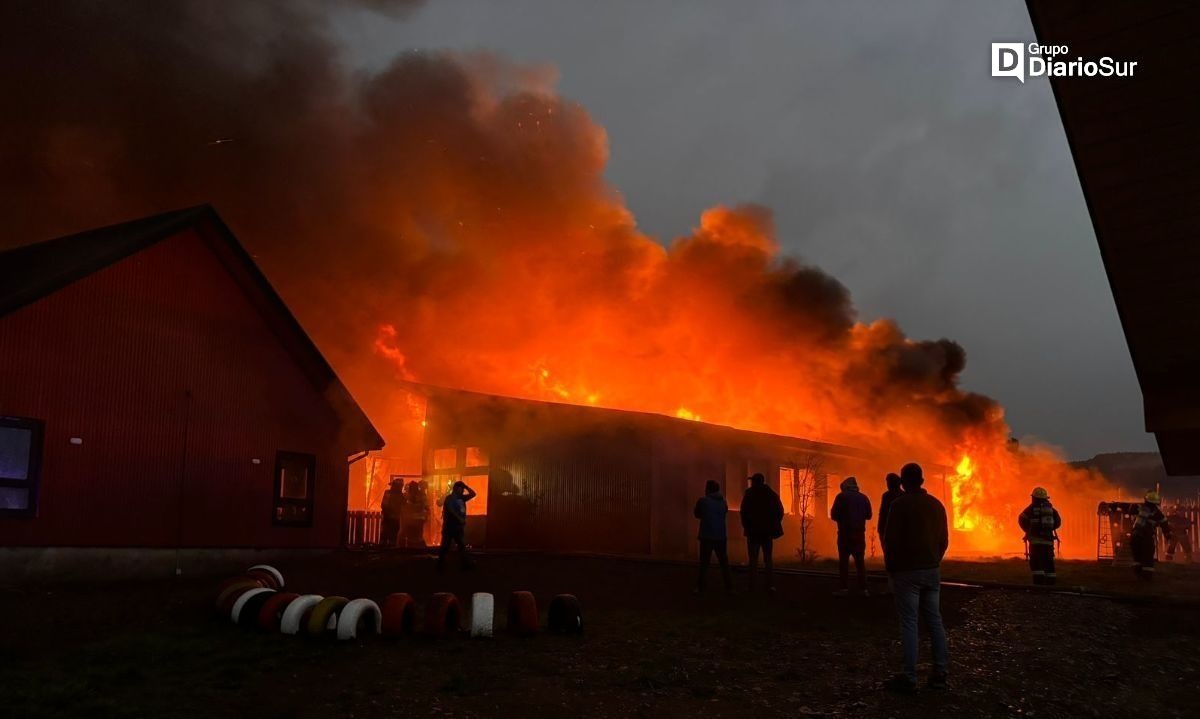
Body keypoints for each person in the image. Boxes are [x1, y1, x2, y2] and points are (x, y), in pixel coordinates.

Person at [883, 462, 949, 693]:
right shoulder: (936, 505)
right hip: (931, 571)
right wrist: (934, 560)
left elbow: (889, 541)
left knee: (910, 622)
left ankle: (909, 676)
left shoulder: (899, 505)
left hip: (906, 572)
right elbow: (944, 541)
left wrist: (891, 569)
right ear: (922, 481)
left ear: (902, 482)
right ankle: (940, 672)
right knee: (935, 621)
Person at [740, 472, 784, 593]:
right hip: (767, 533)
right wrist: (773, 525)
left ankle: (752, 586)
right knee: (768, 559)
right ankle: (769, 585)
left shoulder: (749, 494)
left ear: (755, 482)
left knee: (753, 559)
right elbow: (780, 511)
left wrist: (747, 526)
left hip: (753, 532)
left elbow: (743, 512)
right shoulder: (771, 494)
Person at [830, 476, 873, 596]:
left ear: (845, 486)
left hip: (844, 534)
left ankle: (843, 588)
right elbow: (869, 515)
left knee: (843, 562)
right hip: (859, 534)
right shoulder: (864, 498)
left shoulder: (841, 497)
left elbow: (834, 515)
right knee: (860, 562)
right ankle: (863, 589)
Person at [693, 479, 734, 594]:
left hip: (706, 535)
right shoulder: (723, 502)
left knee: (704, 564)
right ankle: (729, 587)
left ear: (708, 489)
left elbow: (697, 514)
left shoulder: (703, 501)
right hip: (720, 536)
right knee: (724, 563)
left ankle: (700, 587)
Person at [1018, 487, 1061, 585]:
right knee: (1049, 563)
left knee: (1037, 564)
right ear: (1046, 498)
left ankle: (1039, 587)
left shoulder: (1031, 508)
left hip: (1035, 542)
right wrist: (1049, 528)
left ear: (1034, 498)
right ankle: (1050, 586)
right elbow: (1058, 522)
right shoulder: (1051, 510)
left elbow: (1021, 519)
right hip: (1048, 542)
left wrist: (1028, 530)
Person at [1130, 491, 1172, 580]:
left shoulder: (1138, 507)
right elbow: (1165, 524)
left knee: (1137, 556)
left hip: (1135, 536)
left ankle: (1138, 574)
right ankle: (1146, 576)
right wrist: (1168, 535)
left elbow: (1128, 508)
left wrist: (1112, 506)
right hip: (1146, 538)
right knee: (1148, 556)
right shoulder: (1157, 513)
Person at [437, 480, 477, 572]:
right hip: (449, 527)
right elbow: (451, 510)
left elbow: (473, 494)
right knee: (446, 546)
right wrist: (460, 518)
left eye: (463, 489)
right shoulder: (450, 498)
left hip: (458, 527)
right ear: (456, 489)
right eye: (461, 489)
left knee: (461, 546)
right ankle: (440, 564)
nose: (463, 491)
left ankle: (465, 564)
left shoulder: (462, 498)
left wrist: (466, 486)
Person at [878, 472, 903, 552]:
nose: (888, 485)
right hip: (896, 529)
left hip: (890, 528)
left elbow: (883, 513)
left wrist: (880, 528)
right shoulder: (903, 494)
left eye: (889, 482)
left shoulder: (887, 496)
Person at [401, 480, 429, 547]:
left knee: (413, 536)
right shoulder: (421, 495)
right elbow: (426, 507)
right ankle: (418, 549)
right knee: (416, 536)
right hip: (417, 520)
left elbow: (425, 507)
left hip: (412, 520)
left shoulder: (408, 495)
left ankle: (416, 549)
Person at [379, 478, 404, 548]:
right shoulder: (400, 495)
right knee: (390, 535)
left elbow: (383, 505)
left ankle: (384, 550)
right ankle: (388, 550)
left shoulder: (389, 493)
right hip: (392, 519)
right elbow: (384, 505)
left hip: (390, 519)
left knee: (387, 535)